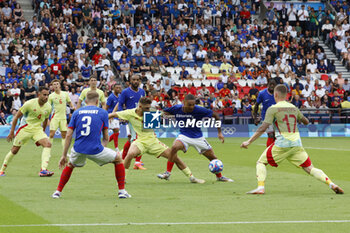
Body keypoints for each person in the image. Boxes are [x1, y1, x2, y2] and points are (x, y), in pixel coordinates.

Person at [240, 85, 344, 195]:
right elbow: (306, 121)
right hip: (296, 143)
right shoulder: (293, 108)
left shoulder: (273, 109)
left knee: (260, 162)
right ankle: (331, 184)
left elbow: (263, 127)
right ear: (286, 95)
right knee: (309, 168)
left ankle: (260, 187)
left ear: (275, 94)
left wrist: (249, 141)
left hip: (282, 143)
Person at [52, 91, 130, 199]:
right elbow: (106, 137)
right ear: (97, 101)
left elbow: (69, 135)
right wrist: (102, 149)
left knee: (70, 165)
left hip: (78, 148)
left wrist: (64, 155)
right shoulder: (103, 113)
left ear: (85, 101)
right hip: (95, 149)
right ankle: (122, 191)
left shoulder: (76, 112)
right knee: (118, 159)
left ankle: (57, 192)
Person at [109, 97, 204, 183]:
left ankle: (192, 177)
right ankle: (122, 179)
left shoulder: (152, 112)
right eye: (146, 108)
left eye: (149, 108)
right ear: (140, 106)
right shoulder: (129, 113)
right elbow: (112, 114)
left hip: (154, 142)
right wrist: (101, 119)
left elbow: (163, 118)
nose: (148, 110)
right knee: (130, 154)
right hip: (140, 142)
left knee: (175, 157)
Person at [158, 94, 233, 182]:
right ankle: (167, 173)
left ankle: (219, 176)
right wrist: (162, 115)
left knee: (212, 157)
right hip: (184, 135)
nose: (191, 107)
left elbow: (216, 115)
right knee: (174, 147)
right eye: (189, 105)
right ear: (183, 103)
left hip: (198, 138)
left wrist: (219, 132)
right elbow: (164, 112)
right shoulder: (176, 108)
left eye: (193, 104)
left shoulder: (199, 109)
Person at [0, 87, 54, 177]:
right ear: (39, 94)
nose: (46, 97)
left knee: (48, 144)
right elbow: (16, 117)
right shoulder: (29, 104)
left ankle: (43, 170)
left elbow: (45, 120)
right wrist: (11, 132)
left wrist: (43, 131)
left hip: (37, 129)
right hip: (25, 128)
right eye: (44, 95)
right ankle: (2, 170)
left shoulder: (48, 107)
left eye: (48, 95)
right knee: (15, 150)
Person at [118, 75, 146, 170]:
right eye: (134, 80)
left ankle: (122, 159)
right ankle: (137, 162)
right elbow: (120, 105)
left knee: (133, 140)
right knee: (137, 139)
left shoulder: (142, 92)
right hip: (131, 119)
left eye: (137, 80)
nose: (136, 81)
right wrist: (122, 116)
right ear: (130, 81)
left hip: (141, 119)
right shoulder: (125, 92)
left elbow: (145, 104)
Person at [48, 80, 75, 151]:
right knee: (51, 134)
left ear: (59, 85)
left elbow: (69, 102)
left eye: (57, 84)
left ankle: (65, 152)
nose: (56, 85)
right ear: (53, 86)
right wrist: (47, 117)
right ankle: (48, 150)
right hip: (55, 117)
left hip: (63, 118)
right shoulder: (51, 96)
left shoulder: (65, 94)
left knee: (64, 135)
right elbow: (48, 107)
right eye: (54, 84)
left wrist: (73, 108)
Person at [253, 79, 277, 147]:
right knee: (271, 135)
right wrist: (255, 118)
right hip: (266, 117)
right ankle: (268, 152)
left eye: (273, 85)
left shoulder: (278, 93)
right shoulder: (262, 93)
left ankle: (275, 151)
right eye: (270, 84)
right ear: (268, 85)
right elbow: (256, 105)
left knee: (277, 136)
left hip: (277, 117)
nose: (272, 86)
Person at [106, 83, 122, 151]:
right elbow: (106, 107)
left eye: (119, 87)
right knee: (116, 130)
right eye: (117, 88)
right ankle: (116, 148)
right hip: (111, 116)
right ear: (113, 88)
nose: (118, 89)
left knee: (116, 132)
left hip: (117, 116)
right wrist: (107, 116)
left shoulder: (120, 96)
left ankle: (104, 143)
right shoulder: (111, 97)